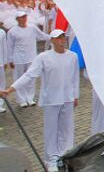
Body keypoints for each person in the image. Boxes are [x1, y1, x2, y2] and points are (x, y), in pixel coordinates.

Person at [1, 29, 79, 172]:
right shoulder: (44, 57)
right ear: (52, 41)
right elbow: (29, 75)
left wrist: (75, 95)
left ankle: (66, 154)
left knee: (67, 130)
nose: (62, 40)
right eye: (58, 38)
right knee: (51, 130)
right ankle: (51, 159)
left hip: (67, 99)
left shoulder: (72, 56)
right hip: (51, 99)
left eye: (63, 37)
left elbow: (75, 78)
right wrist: (11, 89)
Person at [6, 10, 50, 107]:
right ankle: (21, 100)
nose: (24, 18)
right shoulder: (12, 31)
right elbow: (9, 46)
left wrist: (53, 37)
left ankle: (30, 98)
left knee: (31, 79)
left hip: (31, 57)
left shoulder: (32, 28)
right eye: (22, 17)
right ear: (17, 19)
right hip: (18, 59)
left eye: (25, 16)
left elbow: (42, 36)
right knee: (19, 79)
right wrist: (10, 60)